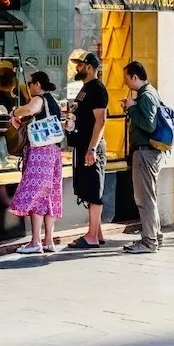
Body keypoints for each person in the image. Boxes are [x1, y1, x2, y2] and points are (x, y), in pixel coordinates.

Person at [8, 71, 64, 254]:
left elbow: (30, 110)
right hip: (54, 152)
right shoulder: (53, 101)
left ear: (38, 85)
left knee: (36, 194)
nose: (30, 87)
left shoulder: (39, 99)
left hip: (40, 153)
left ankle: (35, 242)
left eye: (31, 83)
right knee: (49, 196)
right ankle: (48, 241)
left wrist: (15, 112)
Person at [65, 52, 109, 250]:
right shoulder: (85, 88)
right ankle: (97, 233)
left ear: (90, 67)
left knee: (93, 189)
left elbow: (101, 120)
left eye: (80, 65)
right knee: (88, 189)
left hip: (91, 146)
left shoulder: (97, 89)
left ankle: (91, 236)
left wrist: (92, 148)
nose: (77, 68)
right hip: (83, 145)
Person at [123, 61, 162, 255]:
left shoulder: (146, 95)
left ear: (134, 77)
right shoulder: (149, 93)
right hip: (149, 152)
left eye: (126, 78)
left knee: (144, 198)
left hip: (145, 152)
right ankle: (155, 236)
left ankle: (149, 241)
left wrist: (131, 108)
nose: (125, 82)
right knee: (149, 196)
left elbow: (149, 124)